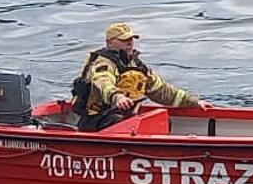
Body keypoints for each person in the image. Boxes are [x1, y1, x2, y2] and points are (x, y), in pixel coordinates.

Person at [68, 23, 206, 132]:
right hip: (97, 119)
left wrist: (193, 102)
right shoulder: (103, 63)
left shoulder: (136, 65)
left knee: (162, 121)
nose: (129, 42)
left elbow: (161, 90)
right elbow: (103, 82)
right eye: (124, 39)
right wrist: (118, 97)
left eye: (131, 39)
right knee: (119, 121)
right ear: (109, 43)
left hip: (127, 117)